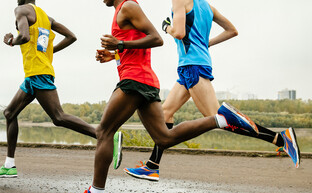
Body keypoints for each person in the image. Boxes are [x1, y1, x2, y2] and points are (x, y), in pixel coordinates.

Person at [68, 0, 259, 193]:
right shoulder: (121, 11)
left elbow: (156, 39)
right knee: (164, 138)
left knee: (104, 131)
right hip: (144, 81)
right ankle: (219, 119)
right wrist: (114, 55)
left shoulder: (127, 6)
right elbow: (138, 46)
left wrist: (120, 45)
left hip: (135, 80)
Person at [123, 0, 301, 181]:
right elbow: (232, 30)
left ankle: (281, 139)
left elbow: (179, 32)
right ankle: (152, 166)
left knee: (219, 118)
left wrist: (166, 27)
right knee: (165, 113)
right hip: (192, 66)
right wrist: (206, 44)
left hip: (193, 66)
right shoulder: (207, 7)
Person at [0, 0, 123, 178]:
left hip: (38, 73)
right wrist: (49, 52)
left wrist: (11, 41)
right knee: (9, 113)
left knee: (58, 117)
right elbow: (71, 37)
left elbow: (24, 37)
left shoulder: (21, 10)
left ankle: (104, 135)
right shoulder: (46, 18)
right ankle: (9, 165)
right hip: (33, 75)